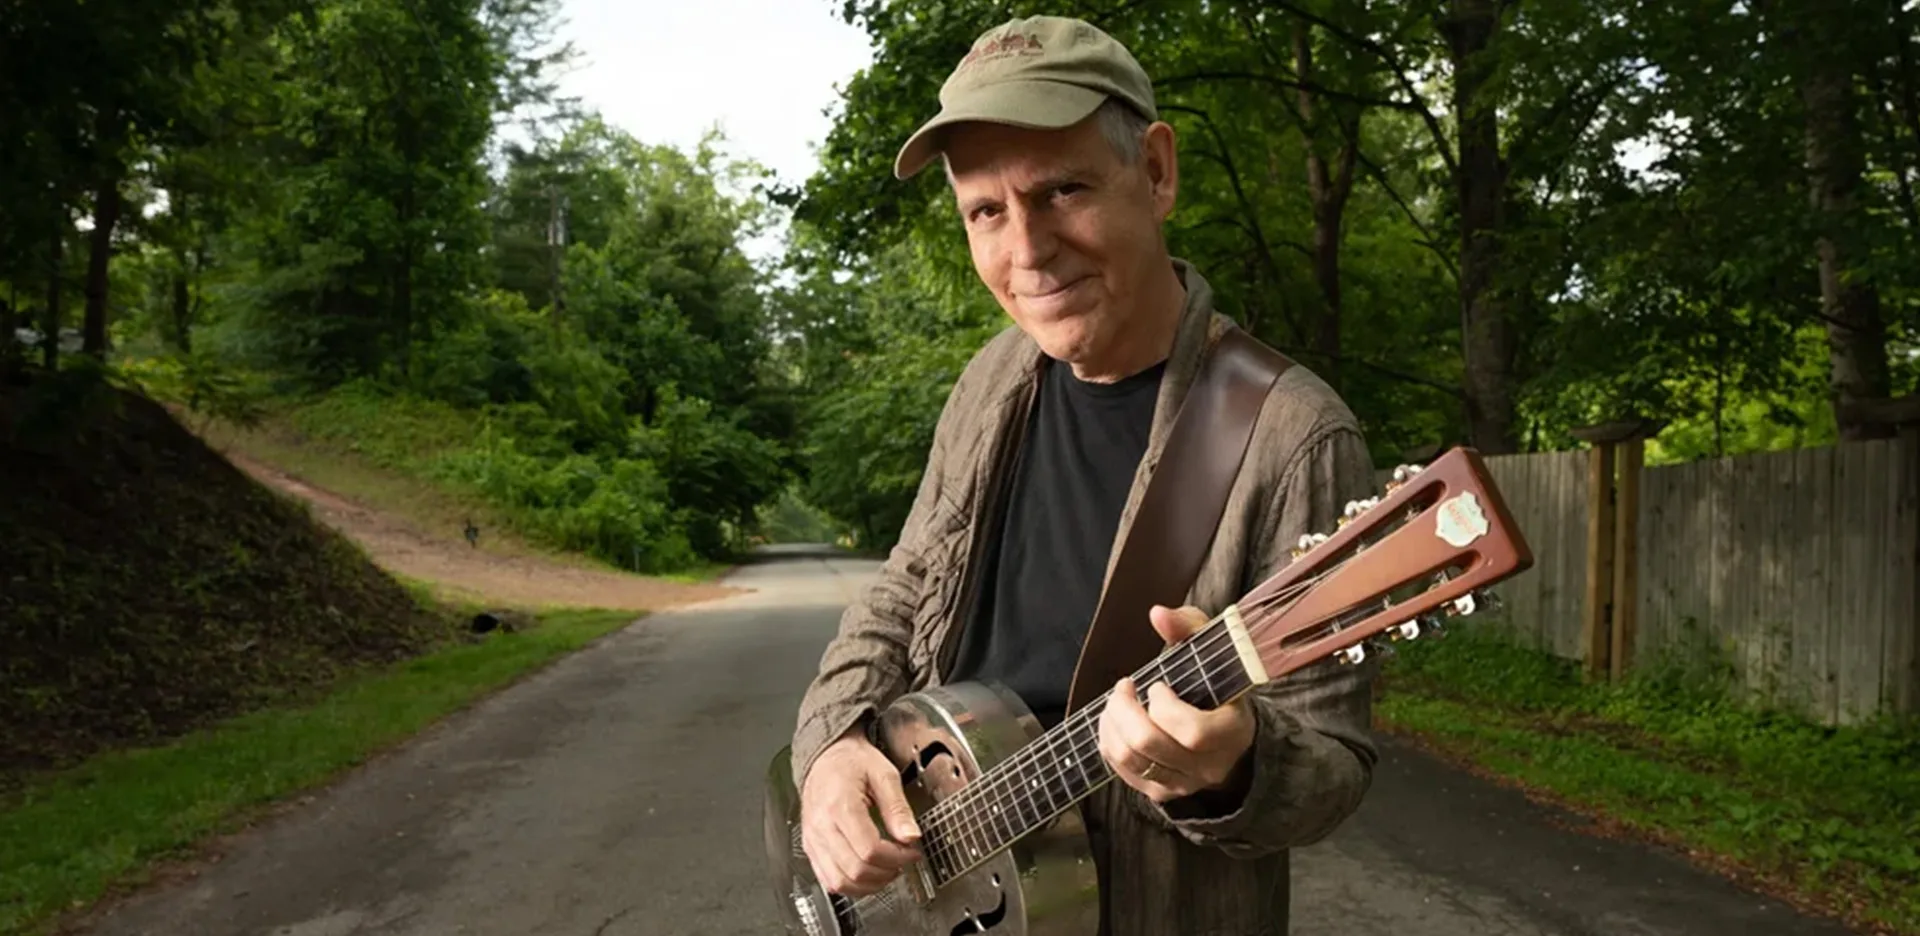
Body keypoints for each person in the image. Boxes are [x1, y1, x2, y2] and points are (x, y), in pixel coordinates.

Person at [787, 14, 1380, 935]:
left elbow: (1334, 762)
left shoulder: (1291, 434)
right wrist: (830, 744)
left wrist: (1234, 768)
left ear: (1157, 172)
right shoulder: (992, 379)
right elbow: (904, 588)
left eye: (1062, 190)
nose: (1027, 251)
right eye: (986, 212)